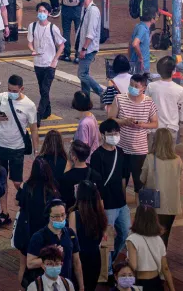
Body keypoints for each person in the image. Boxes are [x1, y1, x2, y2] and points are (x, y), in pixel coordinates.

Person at [89, 119, 131, 266]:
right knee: (107, 239)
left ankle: (110, 261)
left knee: (125, 233)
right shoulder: (97, 156)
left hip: (121, 203)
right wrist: (99, 203)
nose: (114, 136)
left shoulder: (120, 152)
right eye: (110, 133)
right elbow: (96, 184)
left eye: (116, 133)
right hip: (106, 204)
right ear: (103, 135)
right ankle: (107, 271)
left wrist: (124, 197)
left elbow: (124, 177)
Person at [108, 73, 158, 193]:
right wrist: (123, 121)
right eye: (131, 85)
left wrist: (142, 125)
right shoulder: (119, 99)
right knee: (121, 179)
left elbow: (155, 123)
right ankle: (121, 203)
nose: (132, 88)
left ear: (144, 88)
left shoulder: (149, 102)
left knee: (139, 182)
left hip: (139, 149)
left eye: (136, 86)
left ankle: (141, 208)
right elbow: (110, 119)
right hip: (121, 147)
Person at [0, 74, 39, 193]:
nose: (11, 93)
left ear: (21, 89)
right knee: (1, 180)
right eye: (9, 90)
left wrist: (36, 150)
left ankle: (24, 200)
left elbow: (33, 129)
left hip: (17, 148)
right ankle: (5, 211)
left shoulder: (29, 105)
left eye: (14, 91)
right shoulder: (1, 98)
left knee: (17, 182)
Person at [138, 128, 183, 246]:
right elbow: (180, 178)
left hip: (155, 203)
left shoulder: (150, 158)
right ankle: (163, 259)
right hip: (172, 204)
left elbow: (142, 178)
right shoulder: (178, 160)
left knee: (152, 235)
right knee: (165, 234)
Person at [26, 199, 83, 291]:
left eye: (63, 215)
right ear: (49, 216)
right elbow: (30, 263)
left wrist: (81, 286)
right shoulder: (39, 237)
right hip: (45, 285)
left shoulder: (70, 234)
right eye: (55, 216)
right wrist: (52, 255)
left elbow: (76, 262)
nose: (60, 219)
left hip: (65, 284)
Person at [29, 2, 66, 123]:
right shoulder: (32, 26)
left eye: (44, 11)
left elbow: (61, 45)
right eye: (40, 11)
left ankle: (38, 115)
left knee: (45, 89)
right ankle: (47, 110)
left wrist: (55, 60)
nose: (41, 13)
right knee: (42, 89)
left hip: (49, 65)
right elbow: (30, 42)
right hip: (37, 63)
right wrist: (32, 50)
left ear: (49, 13)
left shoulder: (53, 28)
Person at [125, 205, 175, 291]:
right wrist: (172, 289)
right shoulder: (158, 239)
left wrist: (127, 261)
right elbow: (165, 268)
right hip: (156, 281)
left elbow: (133, 265)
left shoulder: (132, 239)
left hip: (140, 282)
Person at [70, 181, 107, 291]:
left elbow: (73, 240)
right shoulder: (100, 214)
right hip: (95, 258)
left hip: (79, 260)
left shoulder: (75, 215)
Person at [146, 57, 183, 145]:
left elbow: (145, 107)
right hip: (171, 129)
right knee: (170, 156)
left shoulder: (151, 86)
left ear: (158, 71)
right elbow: (182, 110)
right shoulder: (179, 89)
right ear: (174, 71)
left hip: (154, 129)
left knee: (153, 157)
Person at [76, 0, 105, 99]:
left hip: (88, 48)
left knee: (82, 74)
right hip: (83, 46)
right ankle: (85, 98)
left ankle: (102, 92)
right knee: (85, 74)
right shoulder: (84, 8)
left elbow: (90, 33)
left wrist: (84, 48)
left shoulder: (93, 11)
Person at [58, 140, 91, 209]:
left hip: (74, 214)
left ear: (74, 157)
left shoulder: (66, 178)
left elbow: (64, 201)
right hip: (92, 213)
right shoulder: (96, 174)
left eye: (70, 152)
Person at [72, 92, 100, 161]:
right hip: (94, 154)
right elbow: (98, 136)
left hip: (85, 160)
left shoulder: (83, 124)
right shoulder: (91, 116)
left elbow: (82, 146)